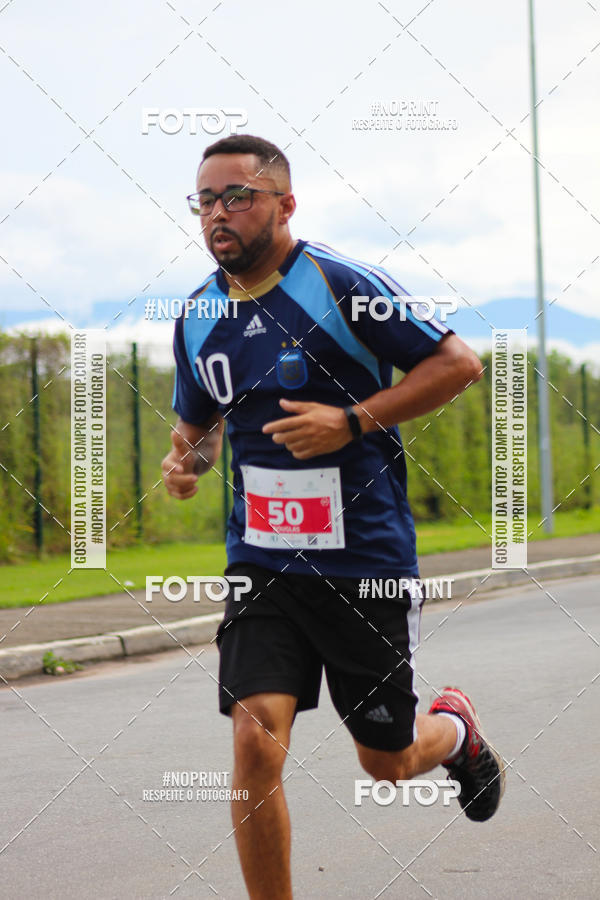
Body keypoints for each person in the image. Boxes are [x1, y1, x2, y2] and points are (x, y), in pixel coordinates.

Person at [162, 134, 505, 899]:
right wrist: (185, 461)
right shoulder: (195, 314)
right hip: (264, 565)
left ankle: (453, 730)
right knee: (255, 745)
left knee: (386, 763)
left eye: (238, 196)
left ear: (285, 204)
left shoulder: (342, 284)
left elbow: (456, 365)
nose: (219, 213)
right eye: (205, 200)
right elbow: (201, 425)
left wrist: (351, 422)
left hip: (363, 565)